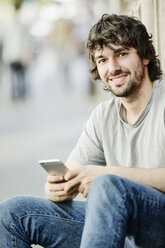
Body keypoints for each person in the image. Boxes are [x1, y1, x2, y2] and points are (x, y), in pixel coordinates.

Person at [0, 13, 165, 248]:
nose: (113, 68)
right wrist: (58, 188)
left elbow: (107, 182)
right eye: (102, 60)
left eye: (122, 54)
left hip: (158, 226)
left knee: (108, 186)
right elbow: (72, 173)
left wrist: (109, 176)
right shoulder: (103, 115)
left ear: (145, 56)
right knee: (12, 215)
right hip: (117, 228)